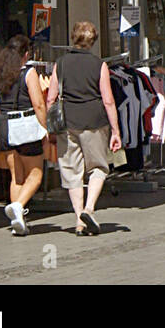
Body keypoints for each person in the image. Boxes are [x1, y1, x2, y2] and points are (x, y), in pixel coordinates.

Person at [46, 21, 122, 236]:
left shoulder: (60, 64)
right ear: (93, 41)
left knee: (72, 172)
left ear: (73, 38)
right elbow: (108, 100)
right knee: (98, 167)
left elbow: (51, 98)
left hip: (68, 123)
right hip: (95, 122)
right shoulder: (100, 65)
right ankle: (89, 209)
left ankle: (79, 219)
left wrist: (50, 128)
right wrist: (115, 131)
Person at [0, 35, 44, 235]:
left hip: (5, 127)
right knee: (36, 174)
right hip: (26, 125)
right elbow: (38, 104)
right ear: (26, 54)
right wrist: (45, 127)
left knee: (16, 177)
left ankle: (18, 221)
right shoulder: (29, 74)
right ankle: (19, 207)